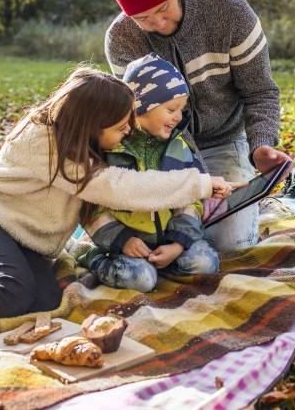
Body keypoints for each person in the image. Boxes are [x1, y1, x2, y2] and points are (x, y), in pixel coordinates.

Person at [0, 65, 232, 319]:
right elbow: (119, 187)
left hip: (20, 239)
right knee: (10, 293)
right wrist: (199, 183)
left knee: (44, 302)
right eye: (121, 126)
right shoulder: (47, 144)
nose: (128, 131)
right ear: (94, 124)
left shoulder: (78, 141)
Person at [103, 0, 291, 251]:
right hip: (160, 149)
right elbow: (134, 117)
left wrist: (260, 145)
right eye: (142, 18)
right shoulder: (121, 38)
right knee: (156, 235)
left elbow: (260, 91)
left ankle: (254, 203)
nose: (158, 23)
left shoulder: (229, 11)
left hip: (225, 139)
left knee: (230, 245)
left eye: (163, 9)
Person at [77, 54, 220, 292]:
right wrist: (122, 240)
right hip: (121, 243)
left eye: (182, 110)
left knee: (206, 262)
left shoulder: (179, 146)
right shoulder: (112, 147)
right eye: (171, 109)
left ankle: (163, 263)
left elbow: (192, 200)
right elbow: (92, 206)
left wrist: (178, 243)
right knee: (141, 280)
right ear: (142, 106)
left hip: (168, 239)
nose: (178, 117)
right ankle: (90, 255)